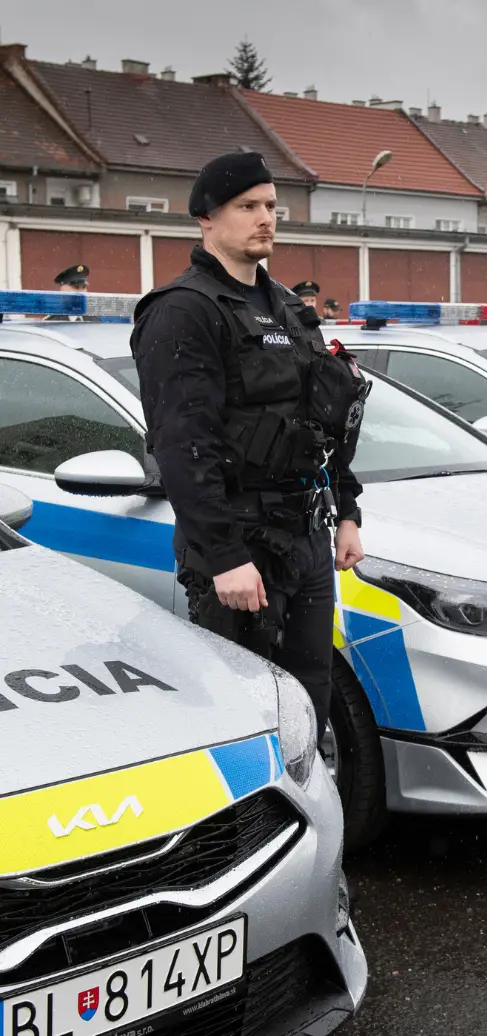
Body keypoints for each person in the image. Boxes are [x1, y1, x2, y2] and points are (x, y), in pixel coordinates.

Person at [130, 151, 371, 723]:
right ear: (206, 219)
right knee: (245, 712)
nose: (265, 218)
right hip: (241, 546)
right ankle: (252, 817)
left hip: (306, 537)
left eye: (270, 206)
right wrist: (224, 557)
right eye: (247, 207)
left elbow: (326, 418)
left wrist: (347, 509)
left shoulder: (288, 307)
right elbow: (184, 445)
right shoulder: (183, 312)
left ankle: (313, 807)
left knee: (308, 701)